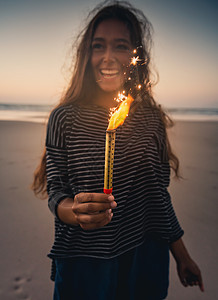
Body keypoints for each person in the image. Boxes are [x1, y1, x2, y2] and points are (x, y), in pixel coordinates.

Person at [32, 1, 204, 299]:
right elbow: (56, 191)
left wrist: (182, 254)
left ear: (136, 56)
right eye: (98, 46)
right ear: (87, 54)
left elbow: (158, 193)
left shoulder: (151, 118)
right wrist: (75, 211)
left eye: (120, 46)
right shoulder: (64, 118)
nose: (108, 57)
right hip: (85, 262)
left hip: (145, 256)